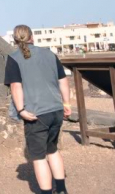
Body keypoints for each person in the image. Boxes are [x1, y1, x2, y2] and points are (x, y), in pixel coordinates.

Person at [5, 25, 72, 194]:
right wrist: (67, 104)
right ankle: (62, 190)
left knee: (39, 157)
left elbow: (15, 86)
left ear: (15, 39)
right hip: (56, 109)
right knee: (52, 150)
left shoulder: (14, 58)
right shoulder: (50, 54)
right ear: (32, 37)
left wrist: (20, 110)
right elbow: (63, 81)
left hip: (36, 113)